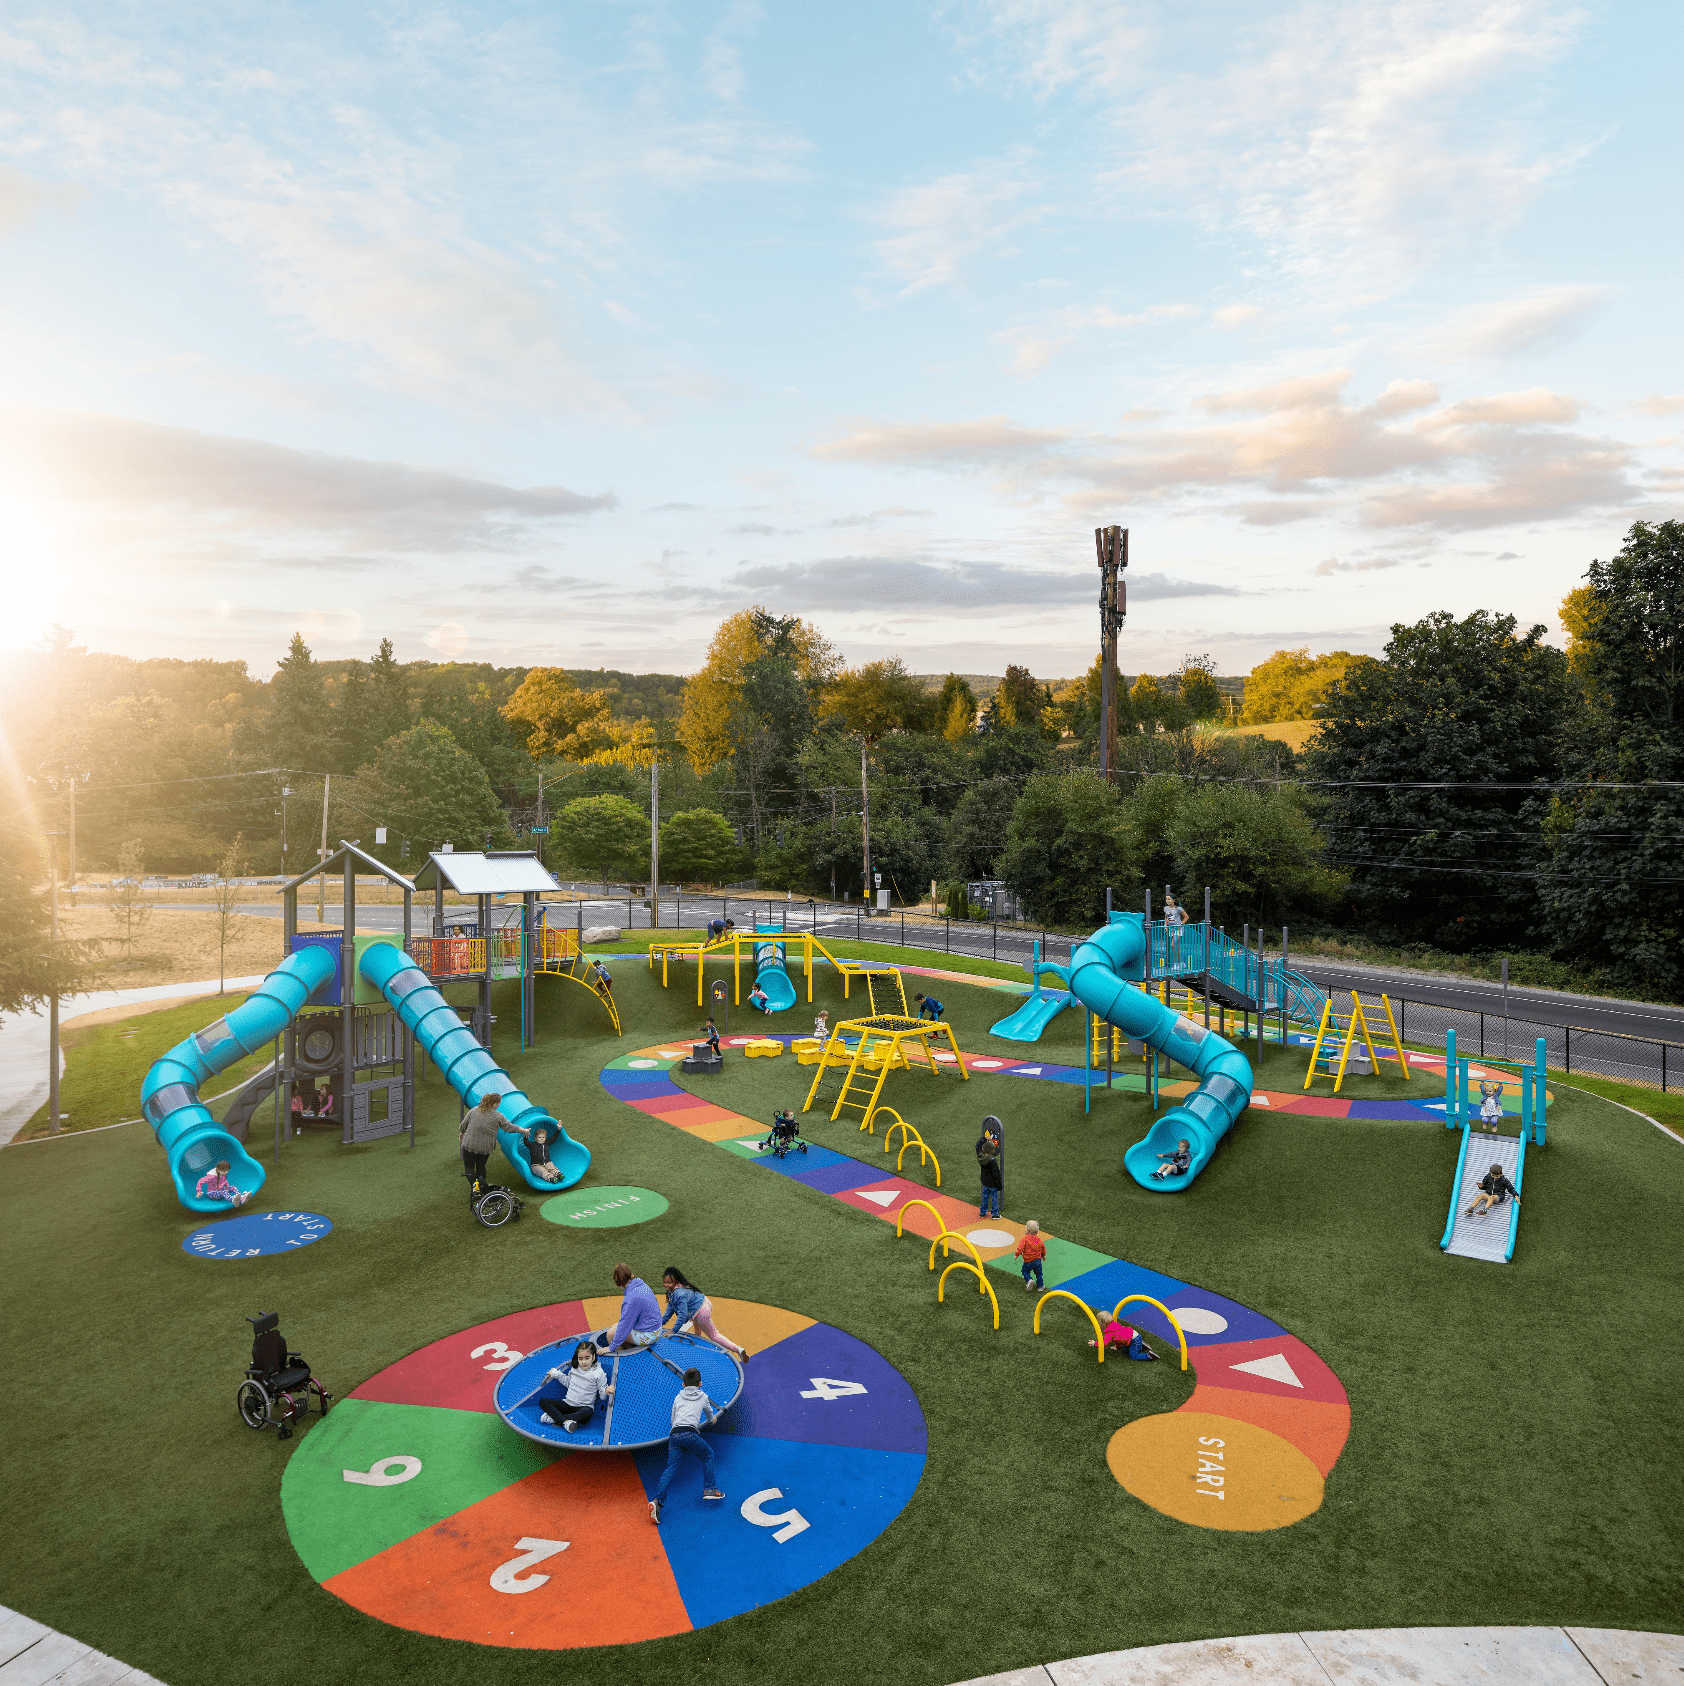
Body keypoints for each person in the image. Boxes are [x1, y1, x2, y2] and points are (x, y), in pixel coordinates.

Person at [649, 1367, 723, 1522]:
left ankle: (657, 1501)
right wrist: (711, 1420)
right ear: (700, 1384)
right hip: (690, 1433)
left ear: (683, 1384)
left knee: (671, 1468)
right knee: (708, 1454)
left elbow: (673, 1418)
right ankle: (710, 1488)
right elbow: (709, 1413)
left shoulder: (678, 1397)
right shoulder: (703, 1396)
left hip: (675, 1435)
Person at [458, 1093, 531, 1208]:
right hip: (485, 1147)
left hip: (469, 1145)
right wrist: (524, 1131)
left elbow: (463, 1125)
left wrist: (462, 1133)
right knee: (481, 1166)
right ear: (495, 1103)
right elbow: (510, 1127)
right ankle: (482, 1188)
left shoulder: (474, 1110)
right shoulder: (498, 1116)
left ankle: (475, 1188)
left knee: (469, 1168)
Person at [661, 1266, 750, 1360]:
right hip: (703, 1302)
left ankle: (738, 1349)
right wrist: (660, 1324)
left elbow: (682, 1316)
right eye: (665, 1282)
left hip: (701, 1312)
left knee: (714, 1335)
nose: (666, 1285)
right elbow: (669, 1310)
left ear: (675, 1281)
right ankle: (696, 1343)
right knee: (695, 1321)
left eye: (669, 1282)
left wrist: (672, 1331)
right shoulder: (678, 1287)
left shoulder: (678, 1294)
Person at [538, 1341, 614, 1432]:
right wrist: (556, 1374)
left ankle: (554, 1419)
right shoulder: (575, 1368)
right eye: (580, 1358)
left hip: (583, 1407)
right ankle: (566, 1422)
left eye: (587, 1358)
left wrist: (606, 1390)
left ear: (593, 1357)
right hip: (567, 1404)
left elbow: (602, 1395)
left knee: (587, 1414)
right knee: (542, 1401)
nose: (584, 1361)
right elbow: (568, 1383)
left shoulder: (598, 1373)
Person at [599, 1262, 661, 1350]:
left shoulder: (631, 1298)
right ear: (631, 1275)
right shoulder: (641, 1284)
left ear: (619, 1283)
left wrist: (611, 1348)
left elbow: (625, 1325)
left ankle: (622, 1360)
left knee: (610, 1334)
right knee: (615, 1326)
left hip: (649, 1335)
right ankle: (630, 1349)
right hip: (655, 1329)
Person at [976, 1118, 1004, 1219]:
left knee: (985, 1197)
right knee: (994, 1198)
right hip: (992, 1183)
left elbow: (977, 1147)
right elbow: (996, 1174)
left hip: (985, 1182)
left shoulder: (981, 1156)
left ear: (984, 1150)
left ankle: (982, 1212)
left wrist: (984, 1139)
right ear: (992, 1151)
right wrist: (999, 1186)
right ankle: (995, 1214)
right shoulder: (992, 1161)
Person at [525, 1118, 564, 1183]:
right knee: (542, 1171)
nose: (542, 1139)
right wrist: (525, 1134)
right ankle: (551, 1178)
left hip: (547, 1162)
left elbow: (554, 1137)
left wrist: (559, 1129)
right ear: (535, 1138)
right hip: (536, 1165)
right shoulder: (532, 1145)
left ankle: (558, 1174)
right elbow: (526, 1142)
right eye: (539, 1137)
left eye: (543, 1137)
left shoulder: (547, 1143)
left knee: (551, 1166)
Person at [1014, 1220, 1046, 1292]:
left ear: (1028, 1230)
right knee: (1039, 1273)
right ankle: (1040, 1286)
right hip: (1038, 1260)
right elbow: (1043, 1247)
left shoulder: (1024, 1239)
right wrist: (1043, 1255)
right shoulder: (1038, 1240)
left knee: (1025, 1271)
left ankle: (1029, 1280)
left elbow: (1020, 1248)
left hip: (1028, 1261)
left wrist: (1016, 1255)